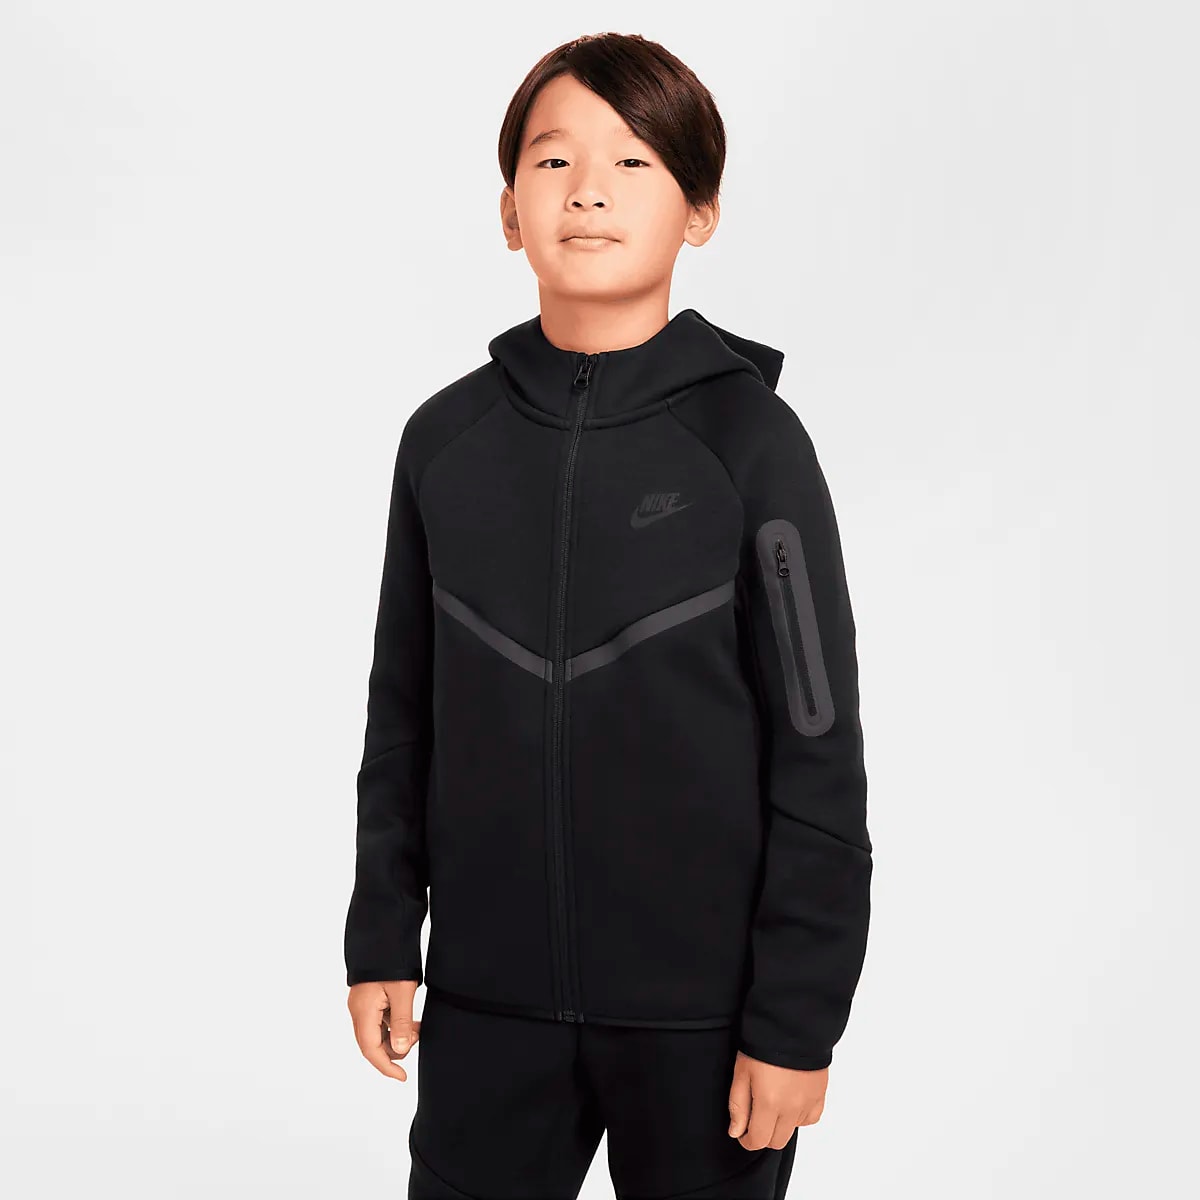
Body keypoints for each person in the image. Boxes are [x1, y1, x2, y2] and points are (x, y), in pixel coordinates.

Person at [344, 31, 873, 1199]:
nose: (588, 189)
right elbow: (402, 711)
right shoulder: (445, 443)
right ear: (508, 210)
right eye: (553, 161)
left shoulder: (751, 444)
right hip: (487, 1008)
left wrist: (797, 1018)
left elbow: (818, 747)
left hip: (704, 1023)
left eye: (634, 161)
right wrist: (382, 931)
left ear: (700, 212)